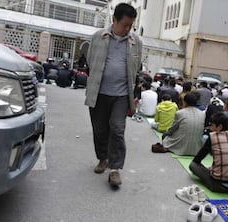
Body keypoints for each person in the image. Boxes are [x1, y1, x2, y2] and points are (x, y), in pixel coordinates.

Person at [84, 3, 142, 187]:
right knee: (100, 129)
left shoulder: (136, 42)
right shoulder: (98, 37)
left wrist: (135, 96)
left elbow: (136, 71)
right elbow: (90, 62)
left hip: (121, 95)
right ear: (113, 20)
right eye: (124, 24)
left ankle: (115, 169)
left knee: (117, 129)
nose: (128, 29)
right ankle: (103, 158)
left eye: (131, 26)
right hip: (99, 93)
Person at [189, 112, 228, 193]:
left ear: (220, 127)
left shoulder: (213, 136)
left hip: (218, 185)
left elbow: (197, 159)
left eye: (212, 126)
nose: (210, 128)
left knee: (193, 165)